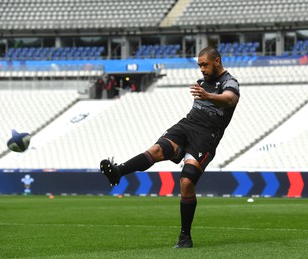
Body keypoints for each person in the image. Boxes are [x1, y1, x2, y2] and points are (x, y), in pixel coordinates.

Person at [100, 47, 240, 248]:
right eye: (199, 65)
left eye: (205, 64)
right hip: (187, 125)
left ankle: (185, 237)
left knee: (186, 183)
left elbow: (230, 99)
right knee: (156, 150)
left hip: (207, 135)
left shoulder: (229, 82)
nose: (201, 69)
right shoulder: (201, 83)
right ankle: (118, 172)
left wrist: (208, 96)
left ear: (217, 61)